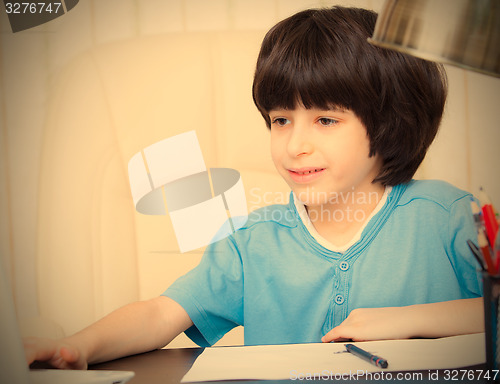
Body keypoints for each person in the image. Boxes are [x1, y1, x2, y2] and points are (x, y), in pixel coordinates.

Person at [24, 6, 484, 370]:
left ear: (389, 122)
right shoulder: (252, 239)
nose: (294, 145)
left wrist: (405, 322)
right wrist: (76, 347)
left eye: (325, 119)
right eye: (281, 120)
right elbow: (162, 313)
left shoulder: (448, 217)